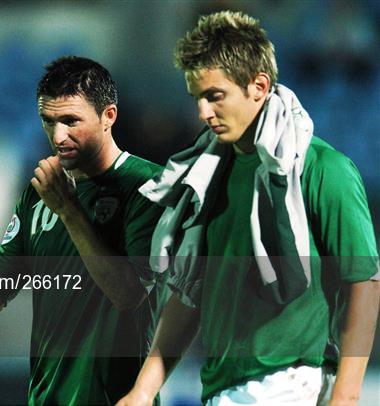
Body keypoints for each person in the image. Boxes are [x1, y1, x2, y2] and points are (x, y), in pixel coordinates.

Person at [117, 10, 379, 406]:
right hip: (222, 388)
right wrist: (144, 388)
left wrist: (346, 393)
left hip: (291, 386)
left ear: (258, 85)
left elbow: (364, 281)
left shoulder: (323, 169)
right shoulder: (208, 176)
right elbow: (189, 295)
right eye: (197, 98)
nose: (203, 113)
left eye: (214, 96)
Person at [0, 56, 167, 405]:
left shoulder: (149, 186)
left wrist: (69, 211)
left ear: (109, 117)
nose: (58, 136)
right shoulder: (38, 193)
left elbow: (129, 295)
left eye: (71, 121)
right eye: (48, 121)